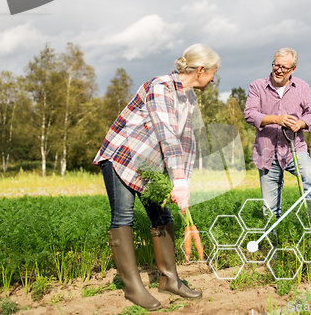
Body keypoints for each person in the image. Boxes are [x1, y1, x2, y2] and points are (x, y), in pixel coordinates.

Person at [93, 44, 219, 310]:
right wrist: (179, 181)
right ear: (200, 70)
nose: (214, 78)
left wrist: (181, 183)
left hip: (150, 168)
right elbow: (167, 135)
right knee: (123, 217)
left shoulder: (188, 97)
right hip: (123, 159)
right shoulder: (159, 86)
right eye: (213, 72)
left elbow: (186, 142)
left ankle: (170, 280)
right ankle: (133, 288)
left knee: (163, 217)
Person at [244, 47, 311, 278]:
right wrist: (276, 119)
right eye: (276, 65)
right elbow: (250, 113)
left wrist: (300, 124)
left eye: (284, 67)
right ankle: (275, 256)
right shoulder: (257, 86)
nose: (279, 70)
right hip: (267, 152)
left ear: (293, 69)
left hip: (295, 150)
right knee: (270, 208)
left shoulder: (302, 87)